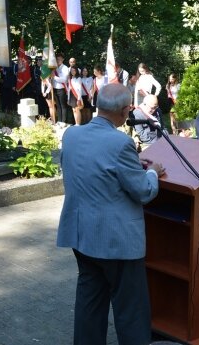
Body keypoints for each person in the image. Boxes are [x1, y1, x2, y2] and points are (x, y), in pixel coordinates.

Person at [57, 83, 165, 345]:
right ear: (126, 111)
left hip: (82, 235)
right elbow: (143, 191)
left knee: (90, 302)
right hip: (115, 241)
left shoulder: (71, 134)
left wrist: (129, 166)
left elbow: (91, 166)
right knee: (131, 309)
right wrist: (152, 172)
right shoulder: (121, 143)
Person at [52, 54, 70, 126]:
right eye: (57, 59)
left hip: (62, 89)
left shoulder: (65, 68)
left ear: (62, 59)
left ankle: (64, 121)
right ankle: (59, 120)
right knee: (58, 106)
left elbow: (64, 80)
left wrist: (55, 77)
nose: (58, 60)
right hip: (55, 88)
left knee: (63, 106)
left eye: (59, 59)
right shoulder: (55, 68)